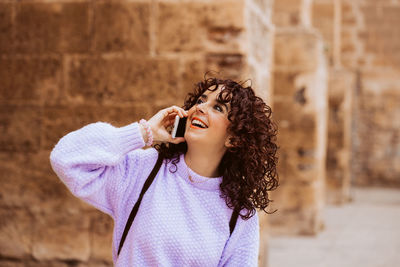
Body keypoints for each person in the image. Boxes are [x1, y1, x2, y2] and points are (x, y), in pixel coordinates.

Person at [50, 75, 279, 266]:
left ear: (234, 138)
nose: (200, 108)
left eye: (217, 107)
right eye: (201, 100)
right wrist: (144, 131)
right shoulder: (143, 170)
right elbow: (66, 158)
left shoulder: (238, 213)